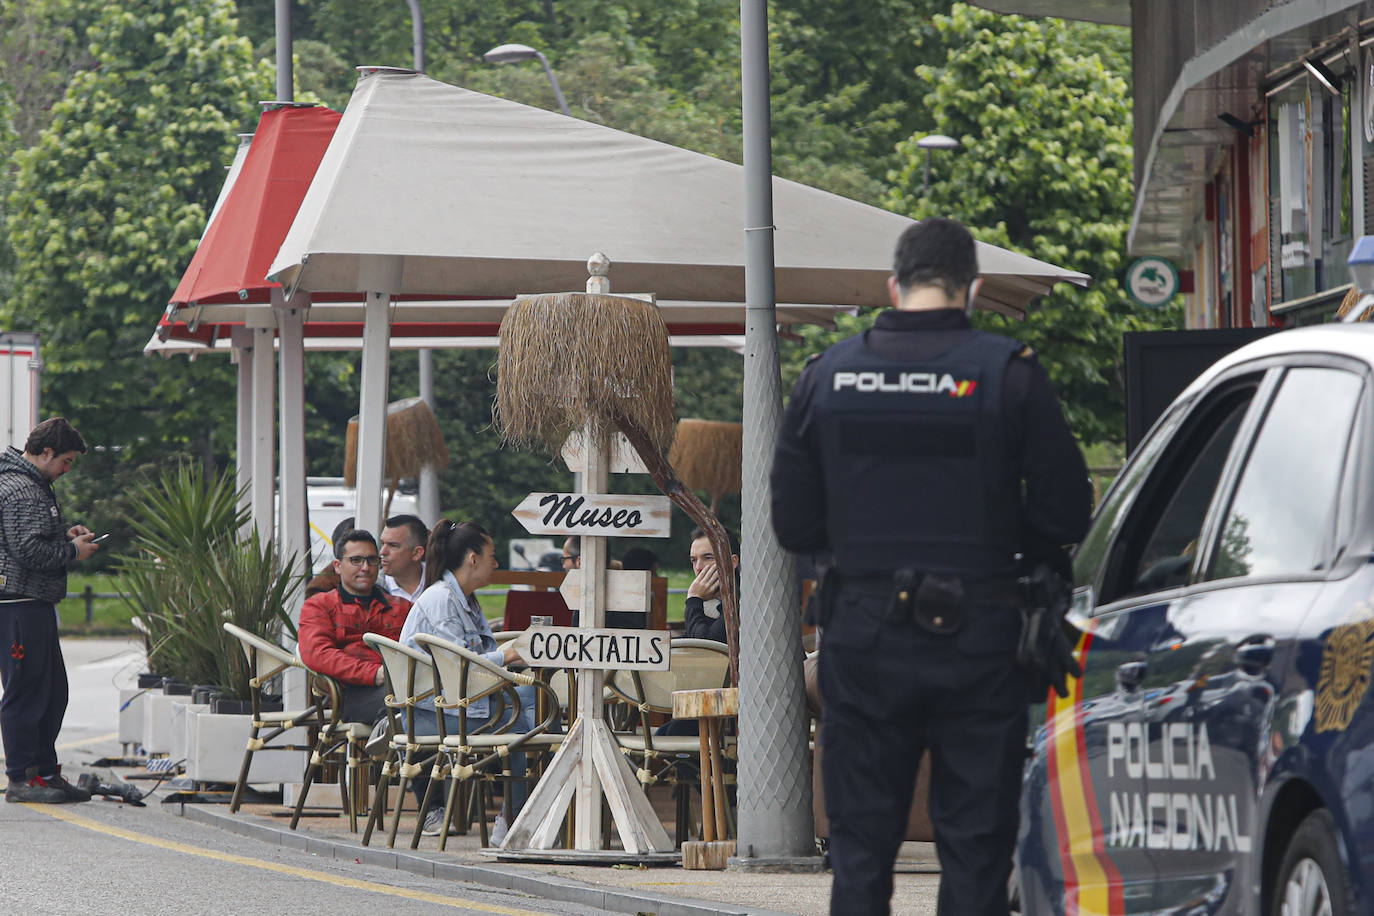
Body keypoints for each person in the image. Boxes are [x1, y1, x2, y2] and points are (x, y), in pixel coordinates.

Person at [771, 217, 1092, 916]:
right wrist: (1014, 553)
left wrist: (860, 551)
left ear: (895, 285)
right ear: (971, 289)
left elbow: (792, 524)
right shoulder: (1009, 372)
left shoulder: (827, 376)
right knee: (977, 848)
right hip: (980, 634)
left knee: (860, 850)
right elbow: (1067, 511)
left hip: (860, 632)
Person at [398, 520, 533, 841]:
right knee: (531, 725)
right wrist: (510, 655)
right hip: (433, 715)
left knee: (545, 713)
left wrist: (508, 656)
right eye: (492, 555)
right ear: (473, 558)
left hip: (454, 706)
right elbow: (462, 669)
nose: (496, 563)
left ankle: (523, 816)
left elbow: (472, 668)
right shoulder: (443, 600)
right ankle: (516, 823)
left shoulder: (463, 599)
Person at [0, 418, 101, 803]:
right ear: (46, 453)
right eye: (67, 461)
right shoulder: (24, 491)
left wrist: (63, 535)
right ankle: (23, 777)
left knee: (52, 691)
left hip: (30, 602)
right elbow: (28, 550)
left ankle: (43, 772)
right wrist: (73, 551)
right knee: (27, 691)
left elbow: (26, 540)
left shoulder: (26, 484)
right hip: (19, 603)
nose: (67, 470)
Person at [297, 529, 412, 725]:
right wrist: (373, 673)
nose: (365, 567)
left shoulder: (402, 607)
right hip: (351, 694)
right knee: (403, 707)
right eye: (356, 560)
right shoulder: (319, 605)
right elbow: (317, 653)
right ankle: (394, 748)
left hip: (405, 686)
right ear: (338, 566)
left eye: (371, 560)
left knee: (434, 703)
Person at [682, 528, 738, 644]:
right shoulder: (712, 598)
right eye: (693, 560)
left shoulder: (740, 601)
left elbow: (705, 648)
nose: (698, 567)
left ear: (732, 562)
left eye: (708, 558)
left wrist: (693, 598)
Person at [380, 514, 428, 603]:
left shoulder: (444, 582)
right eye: (382, 543)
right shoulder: (370, 589)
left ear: (417, 553)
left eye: (393, 545)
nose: (382, 552)